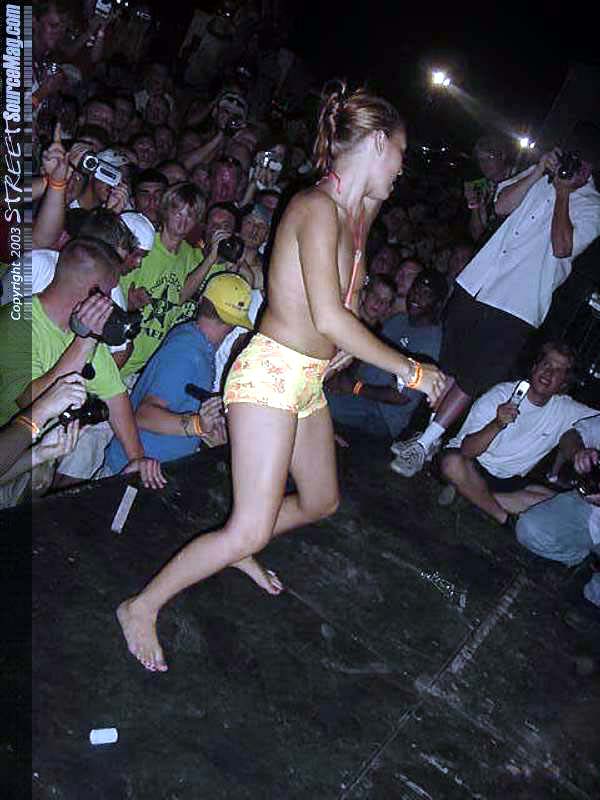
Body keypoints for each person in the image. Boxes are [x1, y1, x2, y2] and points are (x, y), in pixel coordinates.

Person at [116, 81, 446, 672]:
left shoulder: (358, 212)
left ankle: (245, 542)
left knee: (321, 500)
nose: (403, 166)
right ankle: (141, 606)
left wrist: (334, 352)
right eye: (400, 151)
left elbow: (340, 308)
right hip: (269, 377)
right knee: (247, 528)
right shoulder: (313, 208)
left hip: (305, 380)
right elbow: (328, 315)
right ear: (376, 142)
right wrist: (411, 370)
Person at [391, 122, 600, 477]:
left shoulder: (591, 205)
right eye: (569, 155)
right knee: (450, 366)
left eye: (580, 161)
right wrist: (539, 170)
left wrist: (564, 193)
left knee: (473, 376)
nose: (571, 164)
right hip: (479, 283)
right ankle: (426, 435)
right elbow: (501, 206)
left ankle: (425, 442)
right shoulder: (540, 178)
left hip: (518, 304)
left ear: (590, 168)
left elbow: (562, 247)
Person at [104, 274, 252, 473]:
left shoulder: (197, 341)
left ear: (201, 301)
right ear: (234, 323)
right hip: (128, 472)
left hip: (148, 472)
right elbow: (143, 415)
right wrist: (197, 425)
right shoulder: (188, 352)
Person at [439, 343, 595, 525]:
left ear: (564, 384)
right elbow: (467, 451)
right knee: (452, 464)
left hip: (507, 481)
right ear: (534, 367)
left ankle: (472, 496)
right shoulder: (501, 394)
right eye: (546, 364)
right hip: (472, 464)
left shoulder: (565, 409)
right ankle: (503, 518)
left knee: (559, 504)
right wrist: (497, 424)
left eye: (558, 371)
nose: (548, 372)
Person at [329, 269, 447, 439]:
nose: (417, 296)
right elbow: (366, 357)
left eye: (426, 294)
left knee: (320, 403)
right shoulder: (397, 320)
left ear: (437, 304)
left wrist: (355, 387)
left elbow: (401, 397)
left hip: (382, 415)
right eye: (416, 289)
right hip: (357, 394)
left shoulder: (432, 341)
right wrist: (343, 379)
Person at [516, 413, 600, 608]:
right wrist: (579, 453)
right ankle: (582, 560)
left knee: (593, 599)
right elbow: (570, 436)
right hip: (590, 514)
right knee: (530, 528)